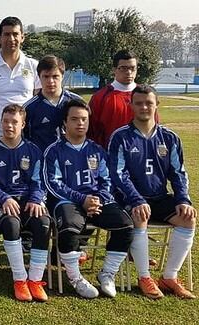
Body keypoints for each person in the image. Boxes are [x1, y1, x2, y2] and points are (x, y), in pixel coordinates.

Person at [108, 85, 196, 299]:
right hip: (130, 199)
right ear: (131, 105)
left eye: (149, 102)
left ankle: (169, 277)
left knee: (188, 219)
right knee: (140, 216)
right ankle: (144, 277)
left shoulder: (169, 138)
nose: (144, 107)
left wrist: (183, 199)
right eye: (138, 103)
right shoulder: (121, 137)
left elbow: (178, 173)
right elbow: (118, 174)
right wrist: (136, 199)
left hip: (158, 196)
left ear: (157, 104)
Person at [43, 98, 134, 299]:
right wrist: (82, 199)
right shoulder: (54, 151)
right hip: (67, 202)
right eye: (75, 119)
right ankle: (75, 278)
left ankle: (107, 274)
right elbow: (53, 184)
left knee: (125, 225)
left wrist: (97, 200)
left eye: (84, 119)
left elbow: (107, 180)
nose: (80, 123)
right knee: (68, 228)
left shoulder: (97, 151)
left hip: (96, 201)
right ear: (65, 123)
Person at [0, 104, 50, 302]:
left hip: (29, 202)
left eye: (14, 122)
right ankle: (20, 279)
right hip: (1, 203)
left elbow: (39, 181)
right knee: (11, 224)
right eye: (5, 121)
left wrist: (36, 199)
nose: (9, 126)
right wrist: (4, 197)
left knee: (43, 224)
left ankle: (35, 281)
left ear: (23, 124)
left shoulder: (33, 151)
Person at [0, 16, 40, 147]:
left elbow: (39, 100)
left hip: (24, 133)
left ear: (22, 37)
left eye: (15, 34)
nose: (11, 39)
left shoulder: (33, 65)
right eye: (7, 34)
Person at [89, 50, 159, 149]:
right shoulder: (100, 97)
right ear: (114, 69)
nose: (129, 72)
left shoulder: (147, 96)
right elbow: (91, 131)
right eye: (123, 68)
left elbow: (154, 127)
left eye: (132, 68)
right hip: (111, 158)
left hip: (142, 157)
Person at [23, 55, 83, 152]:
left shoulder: (77, 103)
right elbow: (24, 140)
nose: (50, 81)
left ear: (62, 76)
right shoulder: (29, 108)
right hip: (43, 163)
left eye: (55, 76)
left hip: (73, 161)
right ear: (39, 77)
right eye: (46, 76)